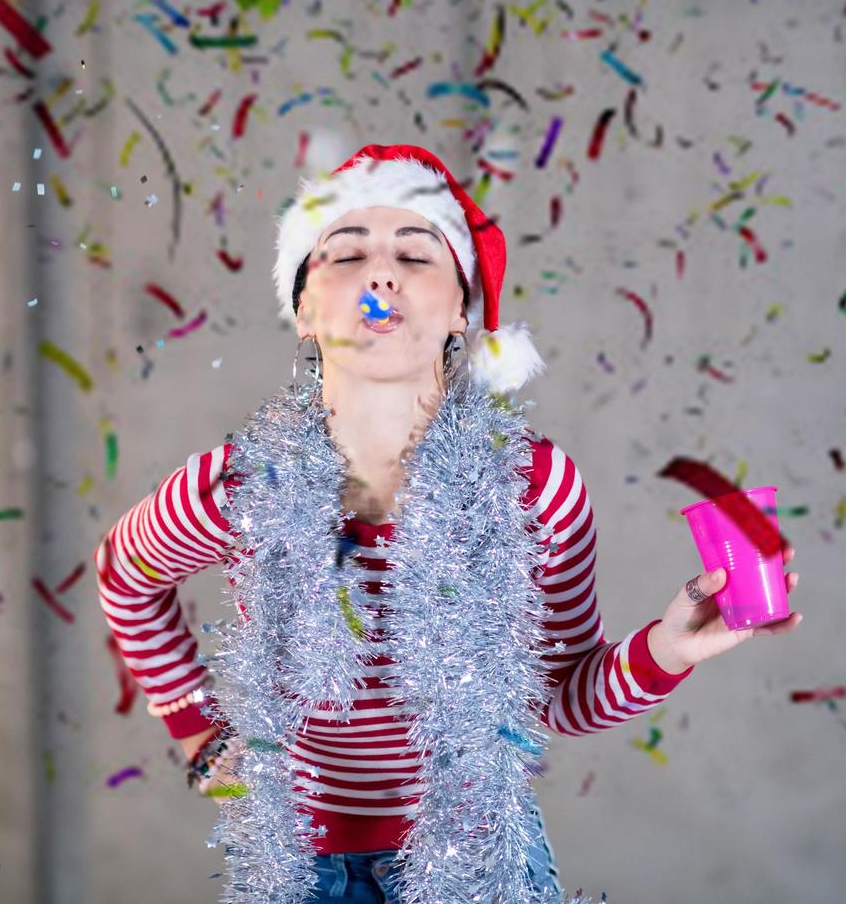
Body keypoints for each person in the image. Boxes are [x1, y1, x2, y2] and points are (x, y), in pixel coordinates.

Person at [95, 144, 803, 903]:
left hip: (480, 864)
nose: (381, 272)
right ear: (304, 311)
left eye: (415, 252)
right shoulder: (238, 486)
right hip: (294, 872)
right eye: (345, 253)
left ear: (461, 309)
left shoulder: (534, 488)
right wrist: (198, 731)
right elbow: (123, 574)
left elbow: (560, 696)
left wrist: (669, 647)